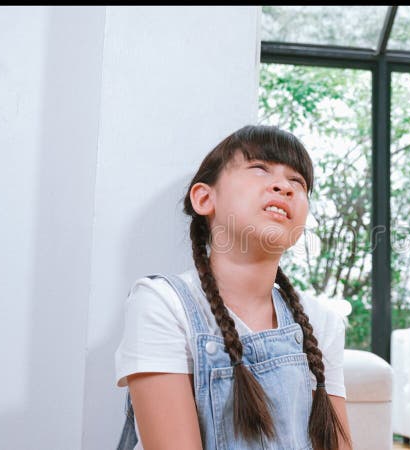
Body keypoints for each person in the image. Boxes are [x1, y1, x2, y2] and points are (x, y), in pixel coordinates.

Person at [114, 125, 352, 450]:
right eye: (260, 169)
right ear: (204, 197)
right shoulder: (162, 303)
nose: (284, 186)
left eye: (298, 182)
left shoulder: (322, 321)